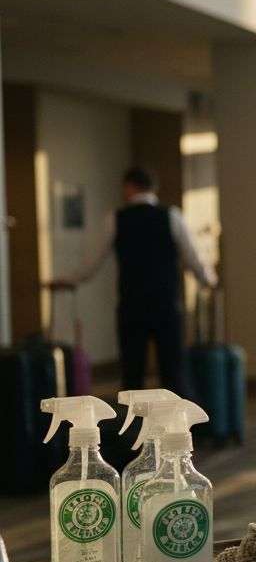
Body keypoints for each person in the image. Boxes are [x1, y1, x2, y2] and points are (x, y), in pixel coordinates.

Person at [49, 166, 217, 393]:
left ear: (128, 187)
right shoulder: (171, 216)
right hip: (165, 302)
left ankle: (132, 425)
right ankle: (179, 424)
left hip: (132, 303)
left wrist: (69, 280)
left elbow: (92, 260)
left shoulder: (116, 219)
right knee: (173, 369)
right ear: (154, 188)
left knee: (132, 370)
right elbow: (193, 256)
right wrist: (208, 279)